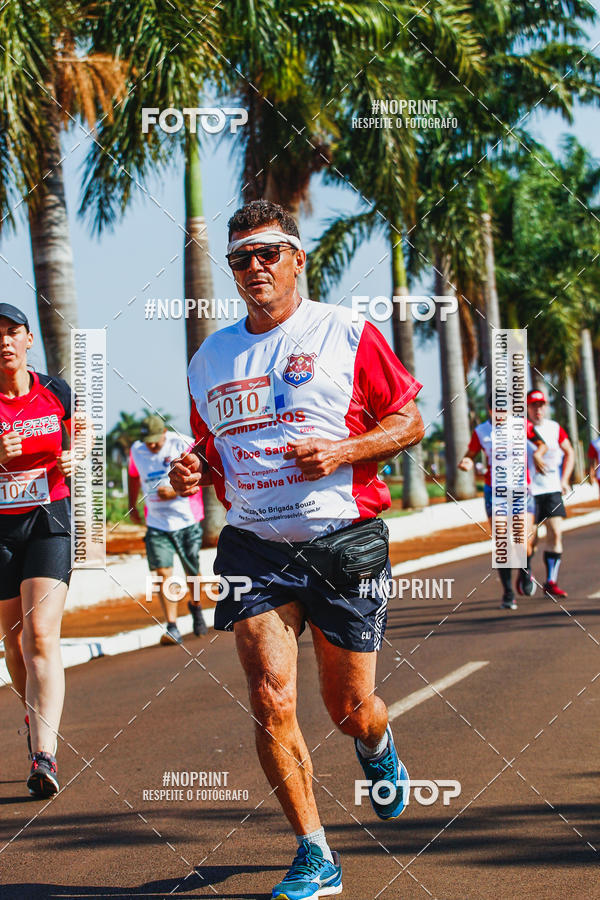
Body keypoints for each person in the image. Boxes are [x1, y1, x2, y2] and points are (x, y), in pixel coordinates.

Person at [169, 199, 424, 900]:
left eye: (268, 253)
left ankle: (376, 746)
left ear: (297, 258)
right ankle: (316, 854)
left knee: (349, 707)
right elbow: (209, 450)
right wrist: (192, 469)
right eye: (240, 259)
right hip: (254, 547)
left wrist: (345, 448)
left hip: (343, 541)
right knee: (270, 696)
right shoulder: (210, 357)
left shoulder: (346, 332)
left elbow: (409, 421)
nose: (254, 268)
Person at [0, 303, 73, 798]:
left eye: (12, 332)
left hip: (50, 519)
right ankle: (34, 712)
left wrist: (76, 455)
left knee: (41, 637)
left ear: (29, 339)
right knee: (15, 642)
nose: (4, 341)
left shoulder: (57, 392)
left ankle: (43, 754)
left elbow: (79, 449)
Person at [458, 394, 546, 610]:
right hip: (494, 492)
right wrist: (467, 462)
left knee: (522, 542)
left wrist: (537, 454)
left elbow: (540, 444)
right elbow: (470, 454)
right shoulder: (481, 432)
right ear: (489, 410)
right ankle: (508, 593)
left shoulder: (521, 425)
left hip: (520, 490)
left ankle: (526, 572)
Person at [128, 415, 207, 644]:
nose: (151, 446)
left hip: (187, 519)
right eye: (147, 441)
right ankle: (172, 626)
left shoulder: (182, 443)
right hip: (156, 522)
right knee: (163, 573)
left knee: (193, 572)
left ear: (164, 433)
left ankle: (196, 606)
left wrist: (175, 491)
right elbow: (133, 476)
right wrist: (132, 505)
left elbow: (200, 474)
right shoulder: (137, 450)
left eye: (155, 440)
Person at [527, 389, 574, 598]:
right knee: (531, 539)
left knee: (555, 533)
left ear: (545, 407)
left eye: (541, 405)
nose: (538, 409)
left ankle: (551, 582)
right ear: (527, 408)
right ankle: (526, 572)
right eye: (534, 405)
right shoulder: (521, 429)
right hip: (529, 491)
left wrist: (564, 479)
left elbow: (570, 452)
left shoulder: (554, 428)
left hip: (552, 489)